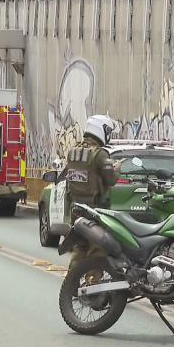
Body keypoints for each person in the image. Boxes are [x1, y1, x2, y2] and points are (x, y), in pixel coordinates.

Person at [66, 115, 121, 271]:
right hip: (95, 210)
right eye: (108, 130)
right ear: (100, 129)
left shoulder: (73, 152)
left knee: (80, 247)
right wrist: (116, 169)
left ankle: (72, 279)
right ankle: (93, 282)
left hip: (76, 209)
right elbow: (111, 180)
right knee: (98, 249)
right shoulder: (100, 154)